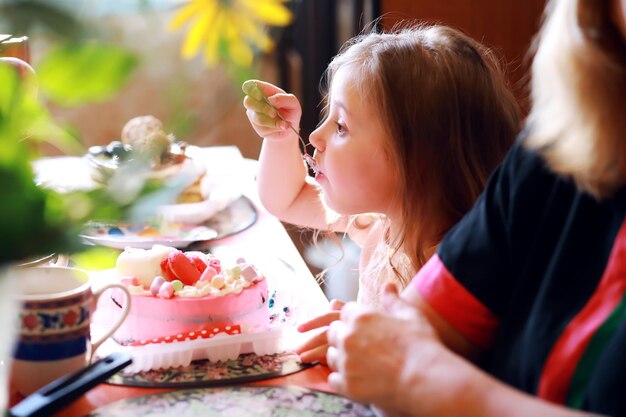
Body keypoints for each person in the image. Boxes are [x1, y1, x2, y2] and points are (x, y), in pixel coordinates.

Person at [325, 0, 626, 415]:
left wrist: (432, 383)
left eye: (340, 126)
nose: (317, 137)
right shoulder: (551, 154)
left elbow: (407, 368)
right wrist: (368, 340)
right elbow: (396, 349)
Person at [243, 24, 520, 363]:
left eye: (341, 126)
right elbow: (285, 198)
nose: (315, 135)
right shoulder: (382, 225)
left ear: (415, 161)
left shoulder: (453, 277)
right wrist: (281, 139)